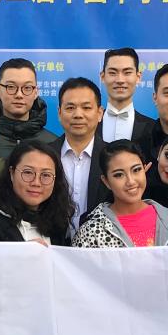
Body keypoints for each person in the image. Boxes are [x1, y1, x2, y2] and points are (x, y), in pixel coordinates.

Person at [73, 140, 168, 248]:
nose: (131, 181)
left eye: (136, 170)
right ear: (106, 181)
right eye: (119, 175)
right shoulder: (90, 232)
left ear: (145, 169)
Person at [0, 142, 73, 244]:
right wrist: (19, 252)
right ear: (12, 173)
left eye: (46, 175)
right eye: (28, 172)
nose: (36, 183)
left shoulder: (59, 224)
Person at [56, 77, 109, 231]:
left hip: (100, 242)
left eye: (86, 108)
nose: (78, 114)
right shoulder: (44, 155)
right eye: (70, 108)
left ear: (100, 113)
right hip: (51, 243)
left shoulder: (112, 157)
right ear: (59, 113)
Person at [0, 58, 58, 159]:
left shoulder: (53, 144)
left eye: (27, 88)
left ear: (36, 92)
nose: (19, 95)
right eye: (11, 87)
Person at [98, 47, 157, 145]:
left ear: (138, 77)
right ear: (103, 77)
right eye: (112, 73)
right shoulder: (88, 124)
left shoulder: (153, 128)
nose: (120, 80)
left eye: (127, 73)